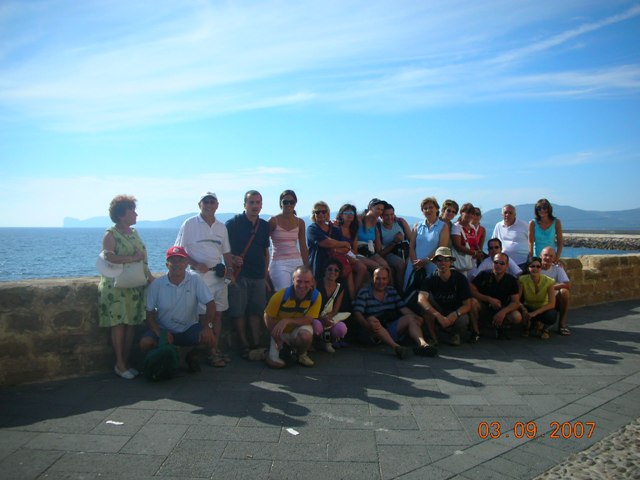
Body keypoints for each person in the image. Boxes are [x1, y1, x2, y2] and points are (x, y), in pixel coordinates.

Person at [174, 192, 234, 367]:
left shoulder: (221, 227)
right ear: (199, 204)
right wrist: (195, 263)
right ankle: (212, 352)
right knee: (204, 316)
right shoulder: (190, 224)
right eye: (205, 201)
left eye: (212, 201)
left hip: (218, 277)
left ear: (217, 205)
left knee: (218, 314)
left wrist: (230, 270)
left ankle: (213, 348)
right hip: (199, 277)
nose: (209, 204)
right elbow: (178, 250)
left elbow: (226, 252)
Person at [98, 195, 153, 380]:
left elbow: (143, 257)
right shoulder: (110, 235)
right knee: (119, 325)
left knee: (131, 324)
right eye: (132, 210)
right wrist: (132, 259)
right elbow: (108, 257)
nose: (136, 214)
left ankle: (126, 363)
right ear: (122, 215)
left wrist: (149, 276)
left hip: (134, 286)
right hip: (117, 288)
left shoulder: (134, 233)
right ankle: (120, 364)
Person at [141, 246, 216, 371]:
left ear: (186, 264)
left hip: (188, 329)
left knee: (211, 340)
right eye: (173, 260)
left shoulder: (195, 280)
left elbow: (211, 304)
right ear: (167, 265)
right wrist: (160, 333)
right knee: (145, 343)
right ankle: (162, 360)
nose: (177, 264)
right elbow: (149, 314)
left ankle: (191, 356)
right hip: (164, 328)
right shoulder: (157, 284)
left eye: (180, 260)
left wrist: (207, 326)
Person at [352, 266, 438, 359]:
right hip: (372, 333)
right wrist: (367, 326)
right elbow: (357, 314)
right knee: (372, 319)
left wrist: (417, 317)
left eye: (384, 279)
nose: (381, 282)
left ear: (388, 280)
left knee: (411, 318)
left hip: (390, 327)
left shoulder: (391, 291)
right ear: (373, 279)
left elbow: (403, 308)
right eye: (378, 278)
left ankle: (423, 345)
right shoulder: (364, 292)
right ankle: (396, 348)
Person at [225, 190, 271, 358]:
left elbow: (265, 252)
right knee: (238, 311)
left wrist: (265, 276)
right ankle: (244, 344)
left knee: (256, 311)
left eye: (258, 202)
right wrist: (232, 259)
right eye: (251, 202)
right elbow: (222, 250)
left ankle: (255, 343)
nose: (255, 206)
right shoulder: (233, 224)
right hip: (239, 275)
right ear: (244, 204)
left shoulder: (264, 226)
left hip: (258, 275)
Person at [417, 247, 477, 346]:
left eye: (446, 259)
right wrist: (437, 315)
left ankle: (455, 334)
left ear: (451, 262)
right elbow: (421, 299)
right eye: (439, 260)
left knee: (463, 320)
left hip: (455, 310)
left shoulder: (460, 278)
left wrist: (455, 314)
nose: (443, 262)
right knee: (424, 307)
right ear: (435, 262)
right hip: (439, 309)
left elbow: (468, 304)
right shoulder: (430, 278)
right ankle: (434, 337)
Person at [264, 266, 321, 368]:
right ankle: (265, 354)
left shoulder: (316, 296)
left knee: (306, 336)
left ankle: (301, 355)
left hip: (297, 329)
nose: (302, 285)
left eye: (306, 282)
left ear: (312, 282)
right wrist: (277, 337)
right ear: (293, 280)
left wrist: (287, 321)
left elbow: (309, 319)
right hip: (279, 331)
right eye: (299, 281)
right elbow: (267, 316)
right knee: (277, 364)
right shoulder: (280, 296)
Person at [470, 252, 523, 339]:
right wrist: (489, 299)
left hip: (501, 308)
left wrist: (503, 312)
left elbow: (515, 302)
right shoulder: (484, 274)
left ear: (507, 266)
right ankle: (475, 332)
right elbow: (471, 290)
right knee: (472, 302)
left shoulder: (511, 280)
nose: (498, 265)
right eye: (496, 262)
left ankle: (501, 327)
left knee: (516, 317)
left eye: (502, 263)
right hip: (484, 306)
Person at [306, 201, 354, 292]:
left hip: (336, 268)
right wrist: (342, 244)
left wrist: (335, 248)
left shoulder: (335, 230)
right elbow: (326, 243)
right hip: (319, 267)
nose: (321, 214)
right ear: (314, 214)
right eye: (317, 212)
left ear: (327, 213)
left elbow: (346, 249)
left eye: (323, 212)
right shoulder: (312, 229)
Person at [404, 197, 450, 291]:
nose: (428, 210)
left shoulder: (443, 226)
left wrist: (425, 261)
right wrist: (415, 262)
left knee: (430, 292)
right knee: (410, 289)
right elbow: (411, 245)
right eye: (425, 208)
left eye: (431, 207)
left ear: (437, 209)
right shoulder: (417, 225)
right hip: (414, 264)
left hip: (432, 264)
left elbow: (441, 248)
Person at [268, 190, 309, 291]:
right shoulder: (273, 221)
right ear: (280, 203)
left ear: (295, 203)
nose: (289, 204)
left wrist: (307, 268)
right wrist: (265, 268)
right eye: (285, 202)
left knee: (299, 292)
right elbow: (264, 244)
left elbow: (303, 247)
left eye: (292, 202)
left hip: (297, 262)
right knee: (283, 292)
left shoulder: (300, 222)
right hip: (279, 262)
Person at [311, 259, 349, 353]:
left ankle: (328, 342)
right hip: (315, 316)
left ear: (339, 273)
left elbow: (335, 309)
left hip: (329, 315)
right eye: (330, 269)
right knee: (317, 326)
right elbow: (310, 305)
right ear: (325, 270)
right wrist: (320, 318)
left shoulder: (340, 288)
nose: (333, 272)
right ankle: (314, 342)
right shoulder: (316, 284)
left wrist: (328, 318)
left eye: (336, 270)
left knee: (341, 329)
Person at [335, 203, 369, 298]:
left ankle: (357, 295)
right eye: (347, 212)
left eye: (352, 212)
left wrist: (350, 254)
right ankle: (353, 297)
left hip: (351, 254)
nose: (350, 214)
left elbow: (354, 249)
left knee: (370, 266)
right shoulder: (336, 228)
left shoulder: (353, 229)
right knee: (362, 268)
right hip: (338, 254)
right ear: (341, 214)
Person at [377, 203, 412, 293]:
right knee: (400, 265)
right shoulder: (378, 228)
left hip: (405, 249)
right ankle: (401, 292)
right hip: (389, 252)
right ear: (381, 216)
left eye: (392, 214)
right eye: (386, 215)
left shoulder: (400, 222)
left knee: (410, 264)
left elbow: (412, 240)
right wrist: (394, 242)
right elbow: (380, 253)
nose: (390, 217)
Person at [518, 257, 556, 340]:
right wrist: (523, 309)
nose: (535, 268)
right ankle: (531, 325)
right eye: (532, 266)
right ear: (528, 268)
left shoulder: (549, 281)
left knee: (551, 315)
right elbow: (517, 299)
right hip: (529, 306)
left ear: (541, 268)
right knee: (519, 312)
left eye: (538, 266)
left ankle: (545, 328)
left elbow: (552, 304)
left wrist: (535, 313)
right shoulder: (522, 280)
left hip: (543, 308)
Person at [540, 246, 571, 336]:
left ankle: (562, 324)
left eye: (551, 256)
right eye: (545, 255)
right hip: (538, 296)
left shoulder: (557, 268)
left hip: (553, 297)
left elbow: (567, 284)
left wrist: (550, 288)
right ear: (540, 255)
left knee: (564, 292)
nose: (548, 258)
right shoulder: (535, 267)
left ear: (554, 258)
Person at [491, 204, 530, 268]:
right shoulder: (498, 226)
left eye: (510, 213)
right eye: (505, 212)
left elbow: (533, 241)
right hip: (503, 264)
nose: (507, 215)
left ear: (515, 215)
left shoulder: (524, 225)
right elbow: (493, 242)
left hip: (522, 263)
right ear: (502, 215)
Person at [451, 202, 483, 277]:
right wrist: (474, 253)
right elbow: (457, 246)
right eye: (467, 212)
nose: (470, 215)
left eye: (472, 213)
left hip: (471, 262)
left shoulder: (472, 227)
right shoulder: (456, 227)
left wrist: (479, 252)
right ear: (461, 213)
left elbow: (475, 243)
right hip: (461, 262)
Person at [356, 198, 389, 272]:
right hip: (357, 251)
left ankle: (389, 284)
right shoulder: (358, 220)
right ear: (370, 207)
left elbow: (378, 248)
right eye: (377, 209)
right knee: (378, 268)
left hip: (370, 252)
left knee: (385, 266)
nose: (380, 212)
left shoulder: (376, 226)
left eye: (381, 210)